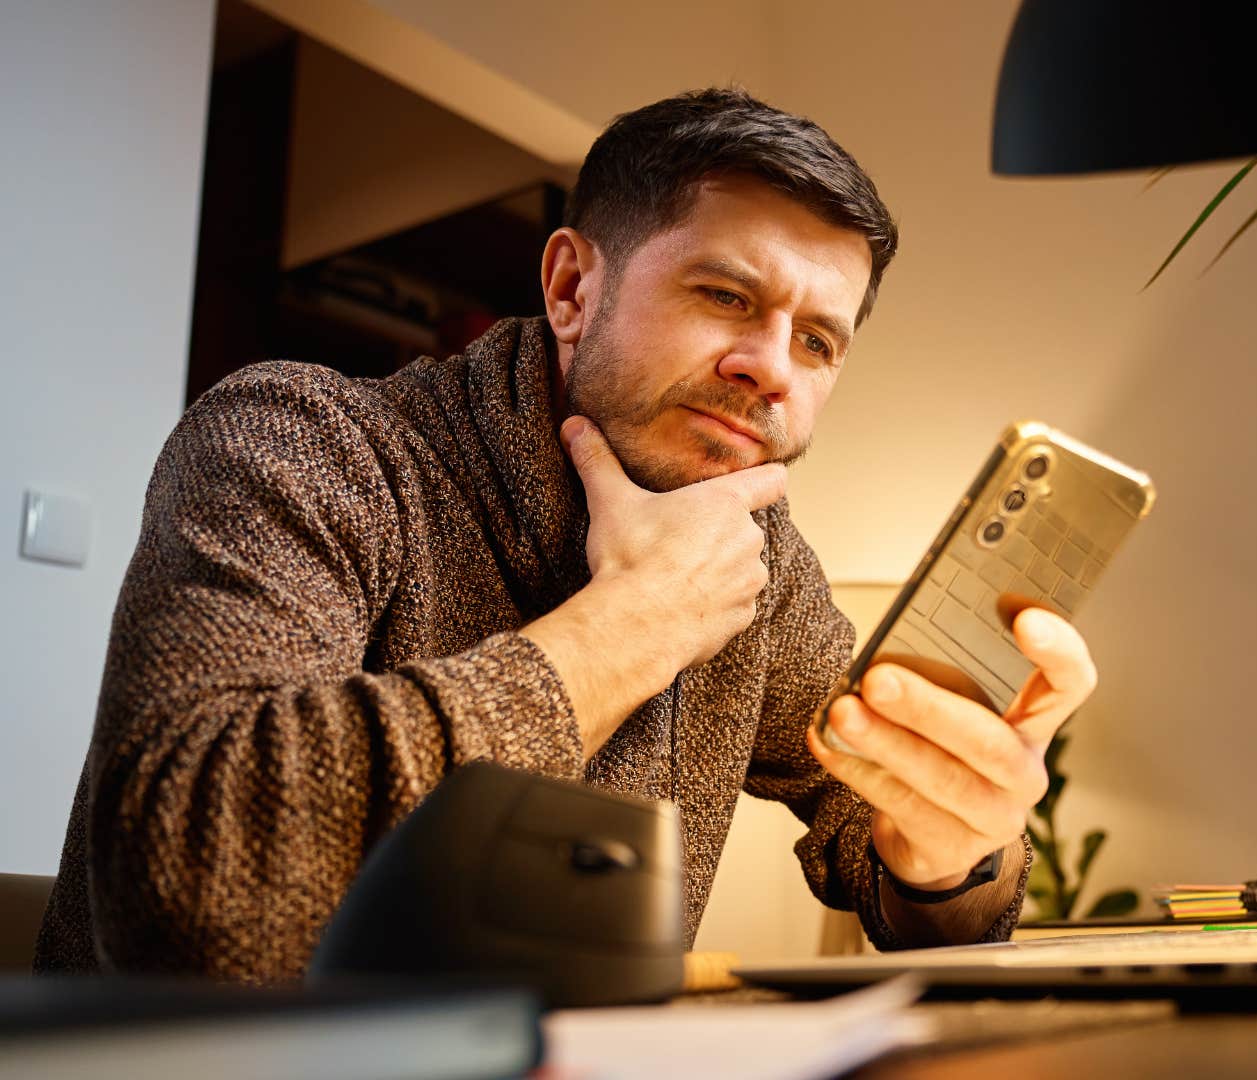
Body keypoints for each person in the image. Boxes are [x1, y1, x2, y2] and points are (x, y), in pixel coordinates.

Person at [35, 88, 1097, 980]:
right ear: (571, 287)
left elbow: (894, 865)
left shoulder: (760, 562)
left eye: (818, 341)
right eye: (727, 295)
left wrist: (956, 849)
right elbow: (181, 888)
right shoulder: (301, 442)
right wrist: (625, 632)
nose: (773, 368)